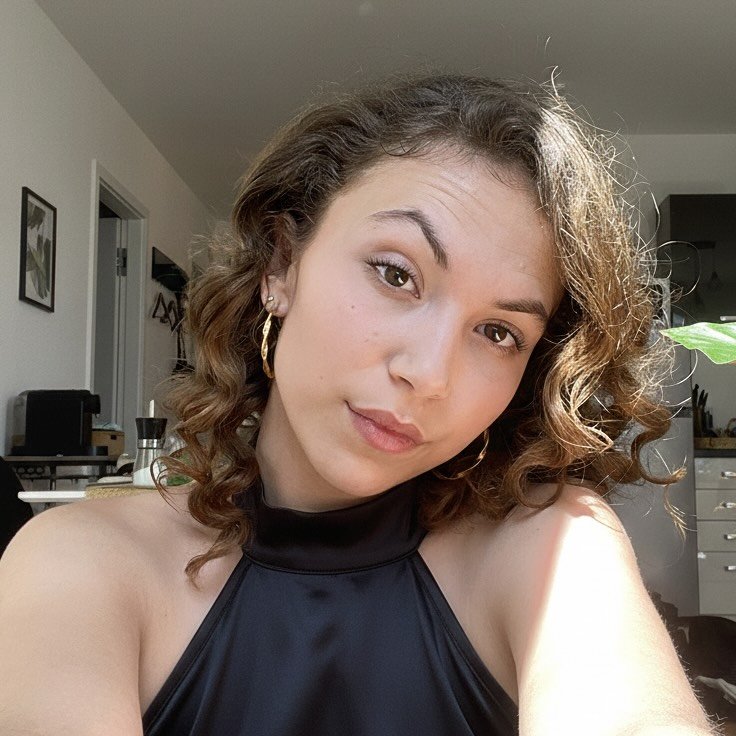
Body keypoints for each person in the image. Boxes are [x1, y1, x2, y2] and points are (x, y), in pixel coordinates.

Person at [0, 74, 716, 736]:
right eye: (396, 274)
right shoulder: (82, 564)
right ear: (281, 265)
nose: (429, 375)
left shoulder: (552, 550)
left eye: (499, 332)